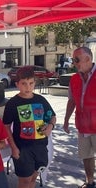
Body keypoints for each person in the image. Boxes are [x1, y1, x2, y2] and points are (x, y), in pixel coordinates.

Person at [2, 66, 56, 188]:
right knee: (25, 181)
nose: (28, 87)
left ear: (35, 83)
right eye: (24, 83)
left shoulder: (41, 100)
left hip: (40, 147)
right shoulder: (12, 103)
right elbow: (6, 126)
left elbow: (53, 116)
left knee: (33, 178)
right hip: (23, 148)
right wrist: (13, 147)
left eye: (31, 83)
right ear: (17, 84)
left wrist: (50, 127)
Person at [63, 46, 96, 188]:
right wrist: (66, 120)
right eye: (73, 60)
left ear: (88, 59)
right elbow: (72, 101)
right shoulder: (75, 78)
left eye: (76, 60)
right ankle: (90, 182)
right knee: (86, 156)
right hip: (82, 125)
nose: (74, 63)